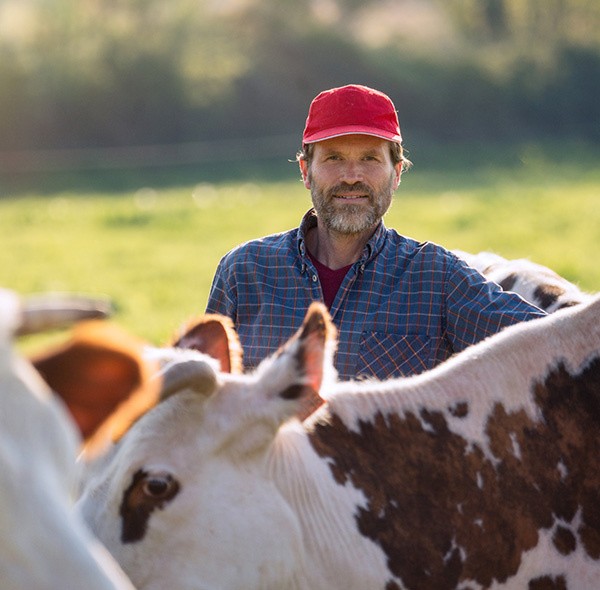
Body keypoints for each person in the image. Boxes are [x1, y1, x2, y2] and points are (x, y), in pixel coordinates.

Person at [205, 84, 546, 380]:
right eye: (334, 158)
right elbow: (200, 401)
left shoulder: (437, 277)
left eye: (370, 158)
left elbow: (549, 343)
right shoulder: (244, 272)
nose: (351, 175)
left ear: (396, 173)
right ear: (306, 171)